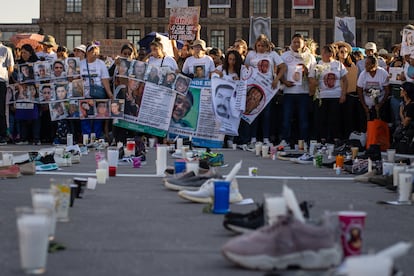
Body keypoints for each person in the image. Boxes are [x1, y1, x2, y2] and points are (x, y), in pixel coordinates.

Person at [244, 34, 286, 146]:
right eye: (258, 45)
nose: (261, 48)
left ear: (267, 46)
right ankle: (253, 138)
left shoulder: (272, 54)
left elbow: (283, 67)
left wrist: (276, 79)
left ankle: (266, 138)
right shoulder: (251, 54)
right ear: (255, 46)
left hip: (268, 87)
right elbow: (245, 67)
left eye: (263, 45)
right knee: (253, 111)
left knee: (266, 114)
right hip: (253, 86)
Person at [280, 34, 317, 146]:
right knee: (286, 118)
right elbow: (279, 72)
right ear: (291, 43)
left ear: (303, 44)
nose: (296, 44)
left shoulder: (309, 57)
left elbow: (313, 74)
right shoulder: (284, 56)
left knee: (303, 119)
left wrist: (306, 71)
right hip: (288, 92)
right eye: (294, 42)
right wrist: (284, 81)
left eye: (298, 42)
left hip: (303, 92)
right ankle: (285, 140)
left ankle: (303, 141)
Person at [309, 44, 348, 143]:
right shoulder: (317, 64)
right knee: (321, 118)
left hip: (335, 95)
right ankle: (322, 137)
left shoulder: (338, 64)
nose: (326, 54)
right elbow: (311, 77)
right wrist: (315, 82)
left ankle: (335, 137)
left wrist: (343, 94)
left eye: (329, 52)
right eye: (324, 52)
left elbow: (345, 80)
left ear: (332, 54)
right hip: (321, 95)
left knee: (334, 118)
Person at [79, 42, 113, 138]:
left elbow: (105, 79)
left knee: (98, 117)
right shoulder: (81, 64)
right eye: (93, 52)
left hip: (97, 94)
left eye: (96, 52)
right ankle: (86, 138)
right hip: (84, 94)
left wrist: (109, 93)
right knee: (85, 117)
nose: (95, 54)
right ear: (87, 52)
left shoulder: (101, 64)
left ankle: (96, 138)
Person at [357, 55, 390, 130]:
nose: (365, 66)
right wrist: (364, 106)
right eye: (365, 63)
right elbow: (359, 90)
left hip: (380, 103)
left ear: (374, 65)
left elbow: (387, 91)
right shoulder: (363, 74)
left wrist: (380, 104)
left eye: (368, 64)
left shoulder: (382, 73)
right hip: (367, 103)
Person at [0, 33, 14, 144]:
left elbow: (10, 68)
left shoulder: (6, 50)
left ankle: (3, 134)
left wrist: (6, 78)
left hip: (1, 81)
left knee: (1, 110)